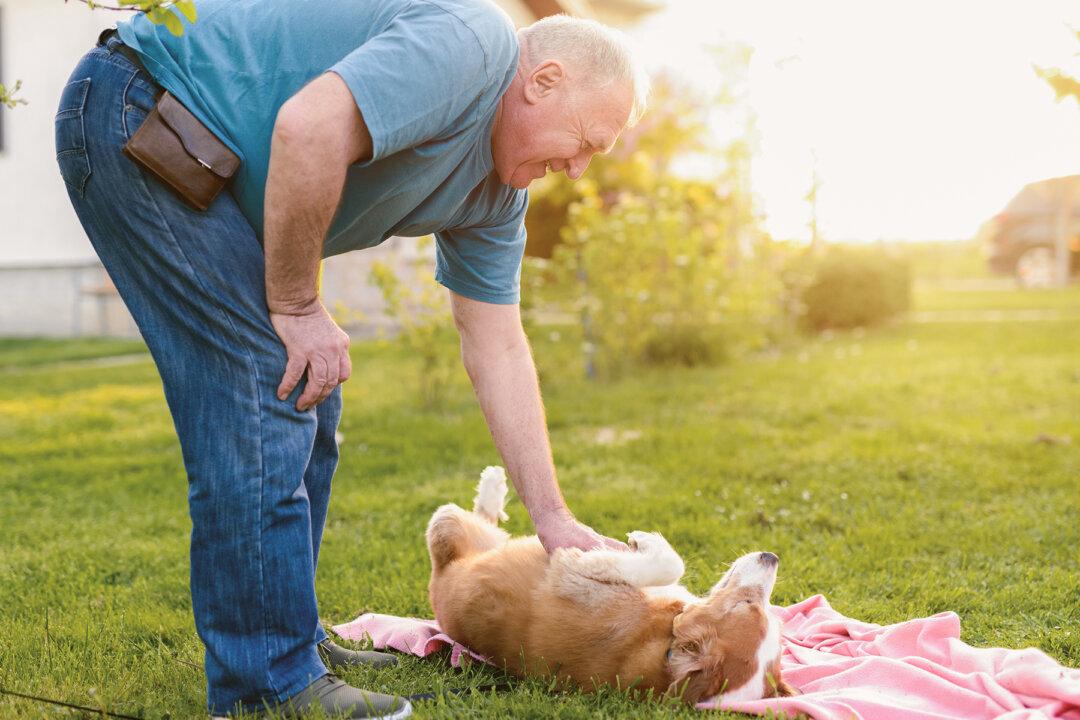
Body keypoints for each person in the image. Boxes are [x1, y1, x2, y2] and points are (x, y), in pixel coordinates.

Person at [54, 1, 647, 717]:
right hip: (143, 106)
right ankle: (266, 687)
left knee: (308, 386)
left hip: (206, 158)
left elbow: (497, 344)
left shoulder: (495, 196)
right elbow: (309, 127)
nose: (578, 169)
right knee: (268, 382)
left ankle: (288, 642)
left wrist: (551, 516)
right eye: (585, 142)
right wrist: (298, 308)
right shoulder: (472, 45)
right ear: (544, 80)